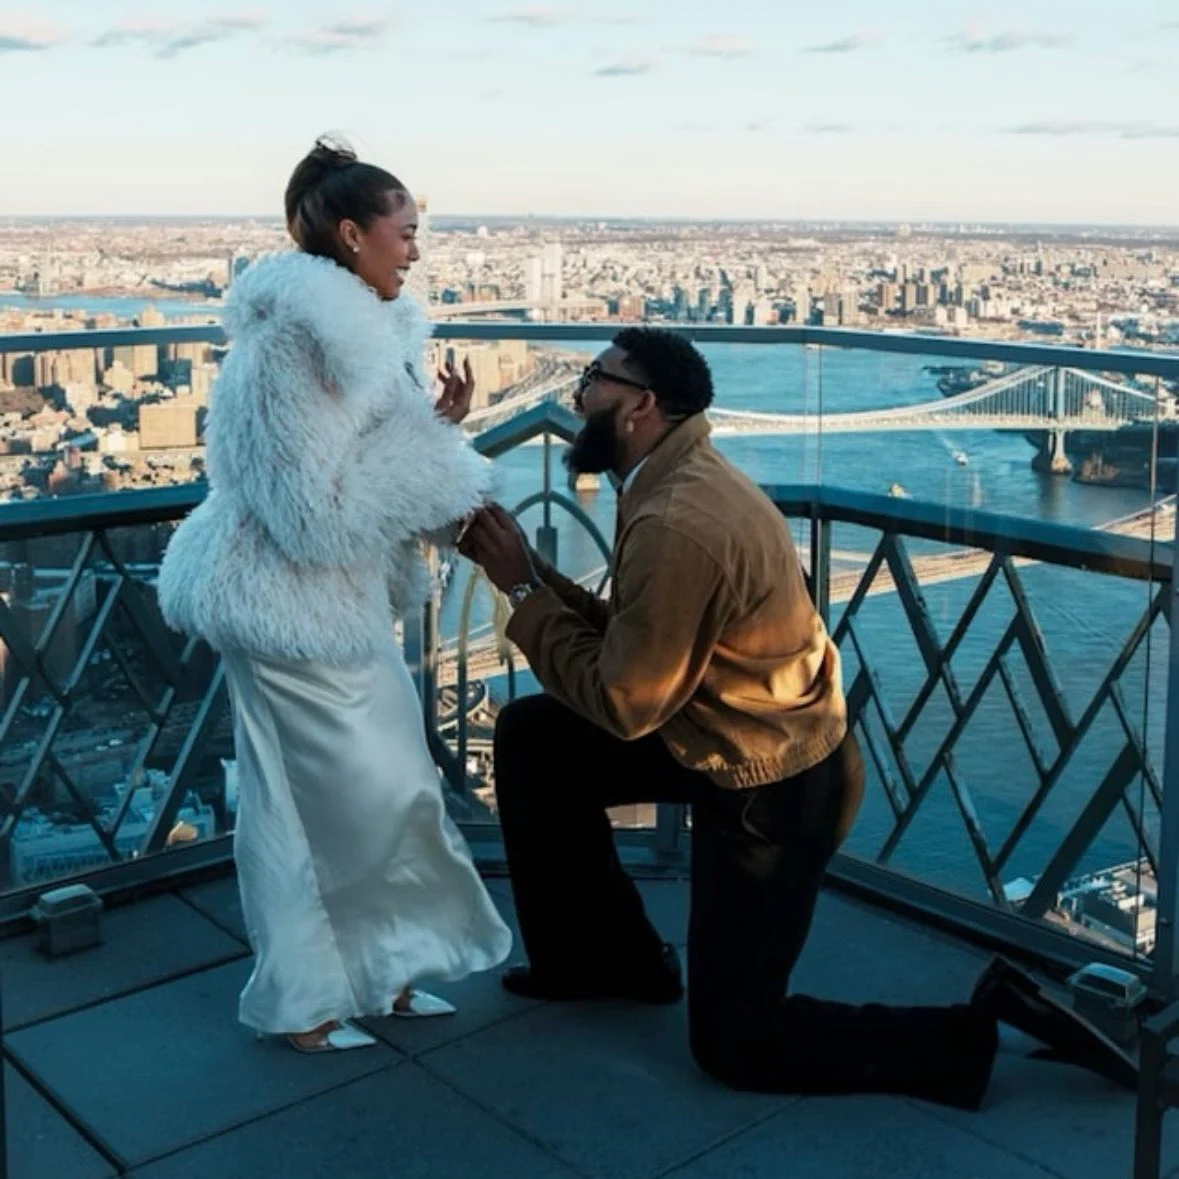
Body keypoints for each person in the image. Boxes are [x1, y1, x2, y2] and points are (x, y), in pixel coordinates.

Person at [458, 326, 1136, 1107]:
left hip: (774, 792)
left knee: (736, 1046)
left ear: (642, 405)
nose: (576, 396)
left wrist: (521, 591)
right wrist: (528, 571)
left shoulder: (675, 519)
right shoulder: (670, 477)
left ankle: (984, 1026)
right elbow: (636, 645)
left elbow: (626, 702)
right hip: (720, 737)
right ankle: (607, 960)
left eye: (592, 378)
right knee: (536, 738)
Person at [158, 137, 511, 1053]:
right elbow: (310, 514)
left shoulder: (366, 338)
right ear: (353, 235)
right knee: (304, 806)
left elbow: (361, 461)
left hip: (335, 606)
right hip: (282, 605)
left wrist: (435, 425)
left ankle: (380, 973)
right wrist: (434, 456)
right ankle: (304, 1001)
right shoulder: (286, 350)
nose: (416, 249)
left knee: (386, 794)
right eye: (406, 231)